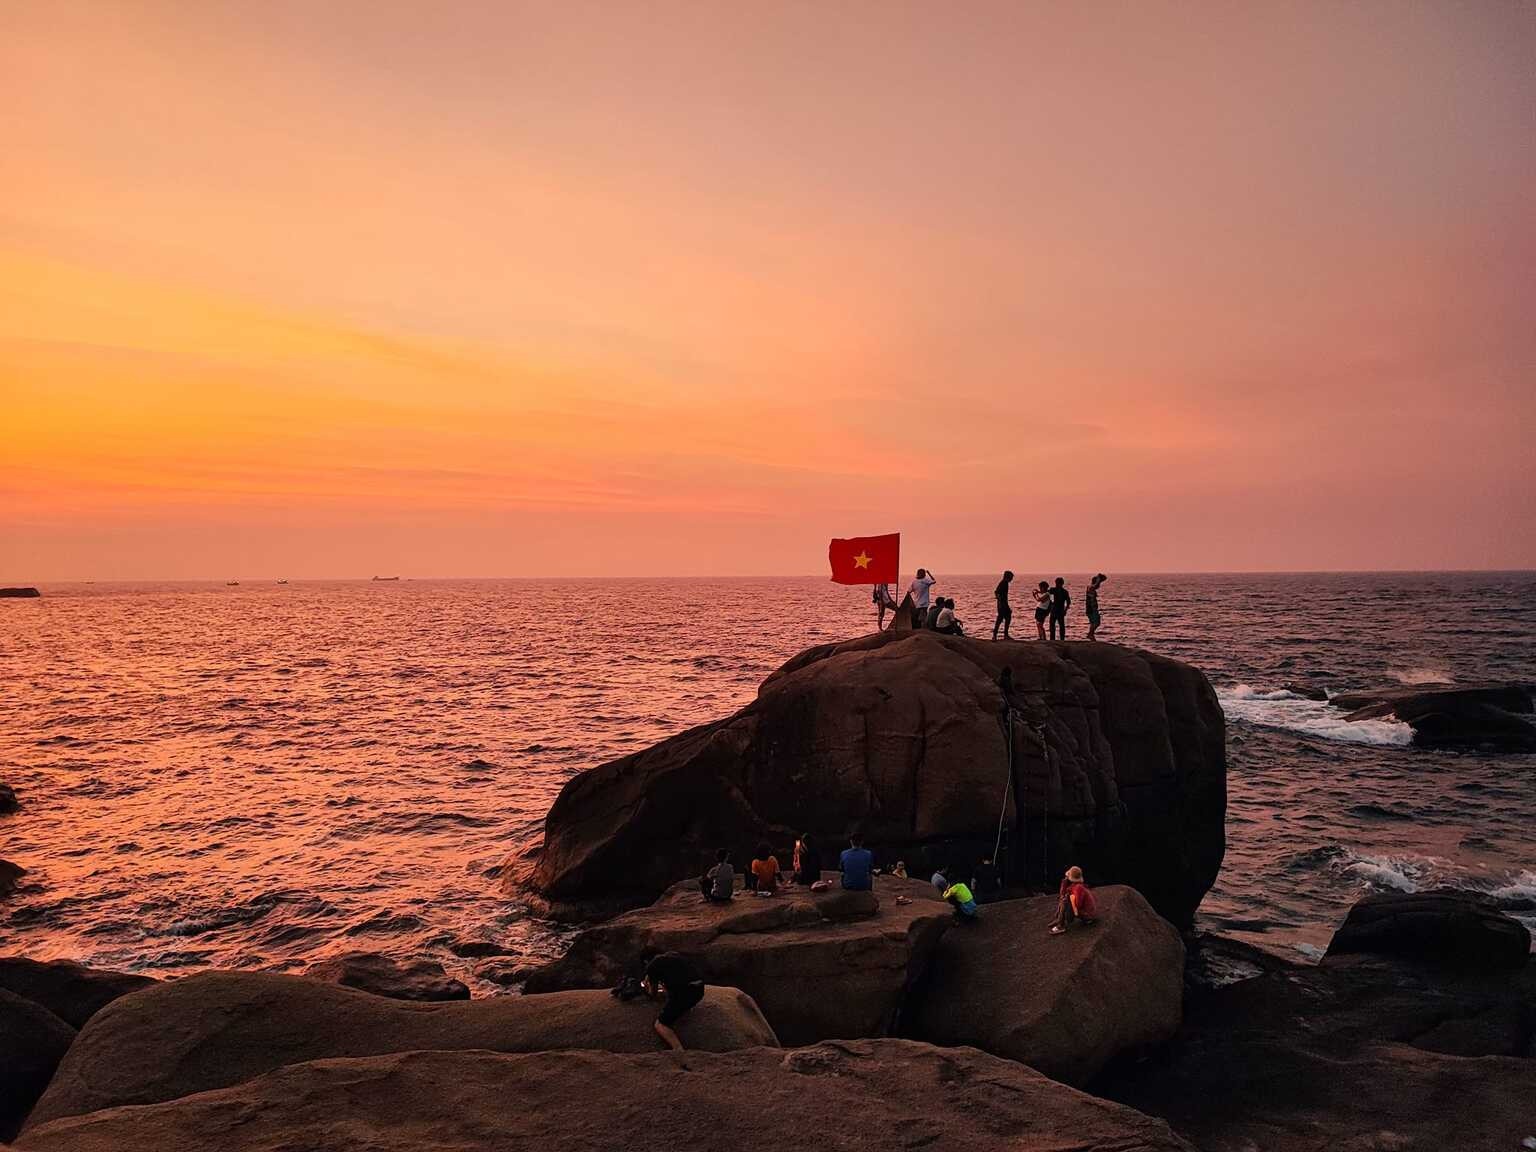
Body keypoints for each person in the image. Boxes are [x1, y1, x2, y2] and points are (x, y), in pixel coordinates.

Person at [642, 950, 707, 1050]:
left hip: (684, 994)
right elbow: (675, 981)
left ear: (646, 961)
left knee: (660, 1024)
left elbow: (653, 994)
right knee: (679, 1001)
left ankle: (678, 1049)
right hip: (699, 990)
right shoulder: (674, 956)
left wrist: (647, 984)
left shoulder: (652, 966)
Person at [1049, 865, 1098, 934]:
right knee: (1064, 898)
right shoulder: (1074, 886)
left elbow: (1078, 904)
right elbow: (1062, 894)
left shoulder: (1078, 888)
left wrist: (1068, 902)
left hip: (1089, 915)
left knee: (1065, 900)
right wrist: (1064, 884)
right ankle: (1059, 919)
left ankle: (1061, 925)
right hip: (1085, 913)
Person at [1085, 573, 1107, 640]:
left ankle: (1091, 635)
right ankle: (1090, 634)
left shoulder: (1089, 587)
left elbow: (1096, 586)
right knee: (1097, 622)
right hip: (1092, 608)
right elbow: (1095, 585)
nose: (1099, 586)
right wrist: (1099, 579)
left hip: (1090, 608)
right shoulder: (1091, 587)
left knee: (1093, 623)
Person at [993, 571, 1014, 640]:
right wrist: (999, 600)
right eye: (1011, 577)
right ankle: (1000, 635)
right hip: (1002, 604)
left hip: (1003, 604)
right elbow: (996, 592)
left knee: (1004, 618)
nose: (1012, 579)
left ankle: (1000, 635)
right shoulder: (1003, 583)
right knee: (1001, 619)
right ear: (1008, 577)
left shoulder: (1005, 583)